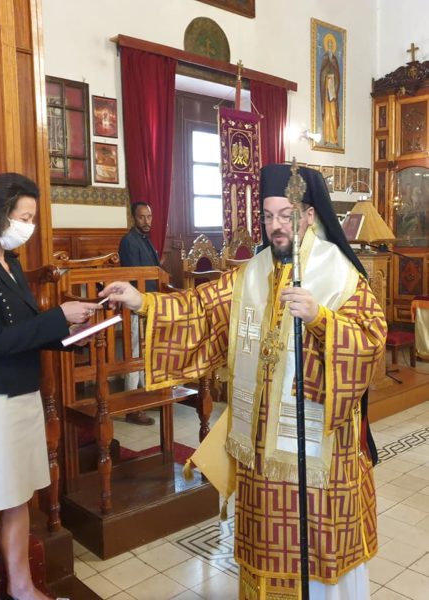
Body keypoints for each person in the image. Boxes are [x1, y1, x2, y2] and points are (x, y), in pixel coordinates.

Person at [101, 164, 387, 599]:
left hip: (318, 450)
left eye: (286, 215)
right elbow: (201, 309)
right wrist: (141, 302)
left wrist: (320, 318)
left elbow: (371, 339)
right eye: (268, 216)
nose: (277, 226)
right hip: (259, 449)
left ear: (309, 215)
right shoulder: (252, 273)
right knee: (267, 543)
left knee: (317, 547)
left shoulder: (341, 274)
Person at [0, 172, 101, 600]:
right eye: (24, 218)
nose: (28, 227)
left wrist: (72, 334)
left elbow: (26, 330)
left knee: (18, 497)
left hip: (22, 396)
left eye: (32, 219)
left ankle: (21, 586)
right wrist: (58, 317)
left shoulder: (10, 263)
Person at [118, 201, 160, 425]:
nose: (147, 221)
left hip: (149, 303)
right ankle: (131, 407)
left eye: (149, 217)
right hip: (136, 305)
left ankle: (145, 399)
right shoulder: (129, 241)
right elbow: (134, 275)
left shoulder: (146, 240)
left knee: (146, 351)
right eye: (142, 217)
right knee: (134, 353)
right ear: (134, 218)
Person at [320, 33, 341, 146]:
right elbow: (322, 73)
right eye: (328, 44)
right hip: (326, 87)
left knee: (333, 112)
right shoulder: (324, 58)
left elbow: (338, 75)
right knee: (327, 112)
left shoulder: (335, 59)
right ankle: (327, 138)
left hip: (333, 88)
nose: (329, 46)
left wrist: (334, 87)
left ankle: (334, 138)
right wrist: (326, 74)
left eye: (331, 44)